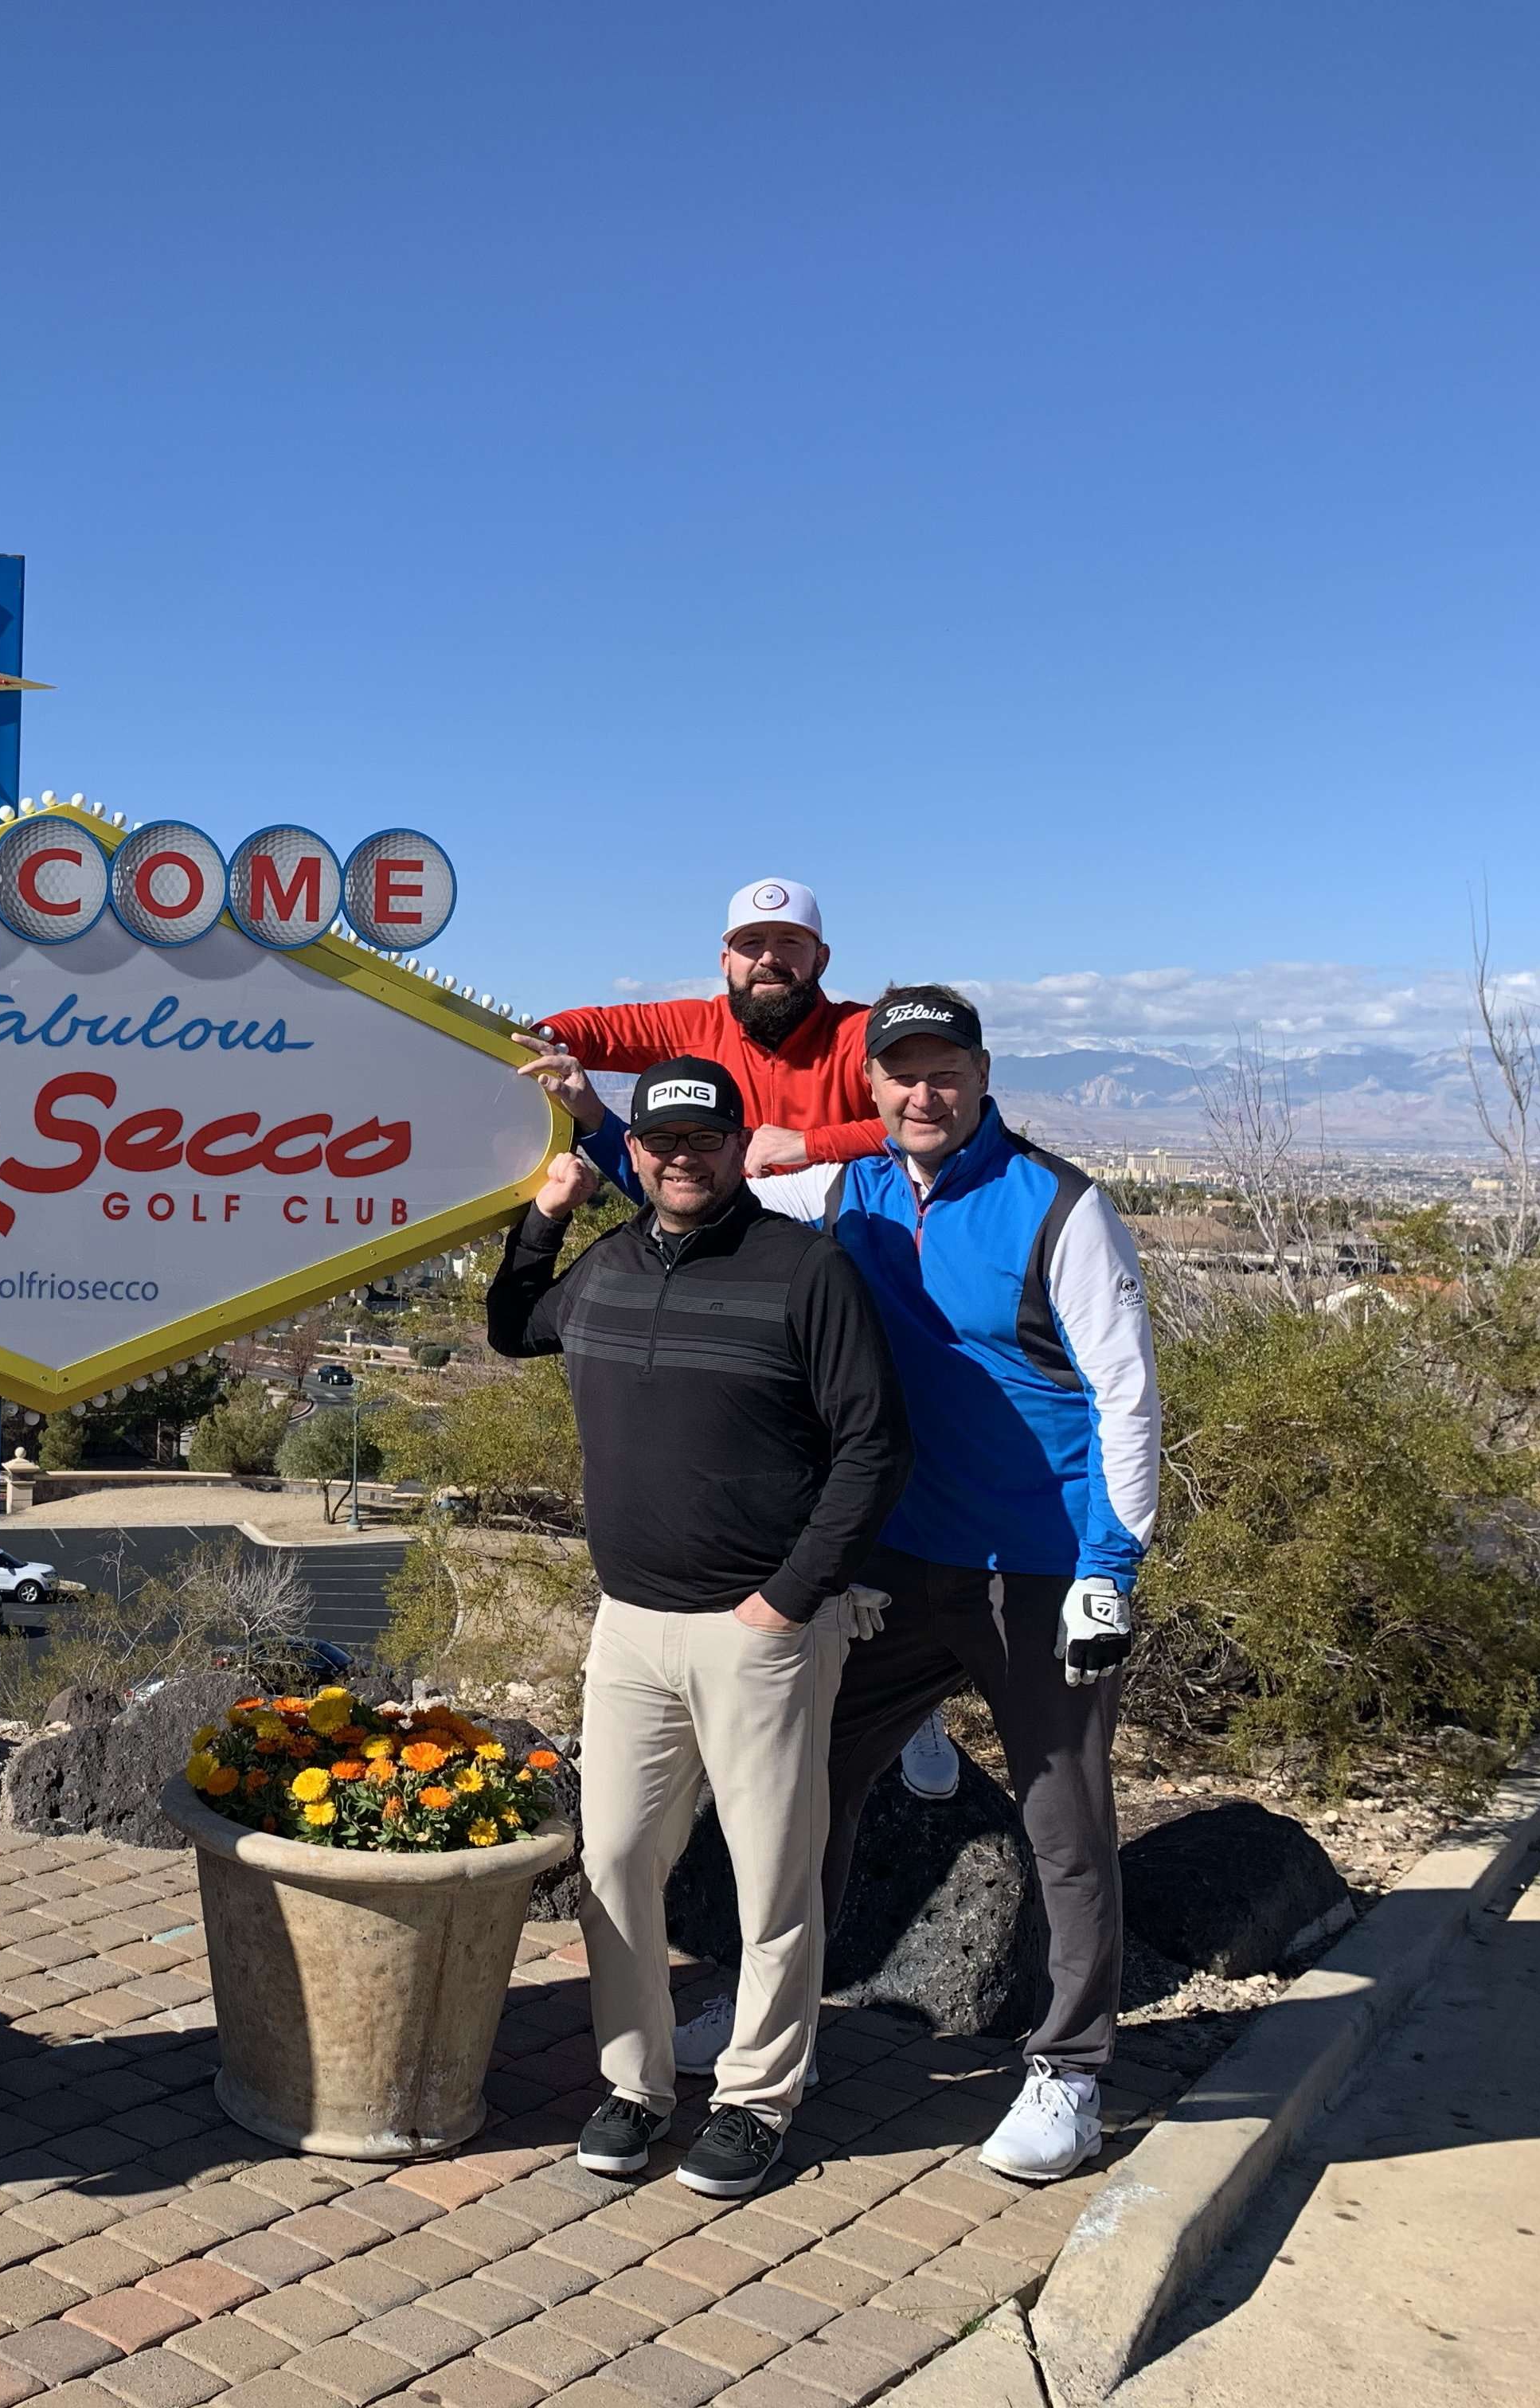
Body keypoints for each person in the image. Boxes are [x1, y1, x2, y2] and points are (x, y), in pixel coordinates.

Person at [707, 983, 1160, 2182]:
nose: (923, 1090)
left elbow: (1126, 1396)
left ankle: (1069, 2073)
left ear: (981, 1073)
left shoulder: (1061, 1207)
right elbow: (690, 1175)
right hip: (892, 1564)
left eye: (944, 1069)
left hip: (1038, 1565)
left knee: (1064, 1823)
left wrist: (1112, 1568)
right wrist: (573, 1121)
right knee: (801, 1790)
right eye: (900, 1071)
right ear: (873, 1085)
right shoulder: (842, 1189)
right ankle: (769, 2022)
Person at [487, 1057, 909, 2197]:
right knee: (617, 1858)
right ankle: (635, 2085)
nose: (684, 1158)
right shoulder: (610, 1267)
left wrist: (792, 1596)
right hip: (629, 1625)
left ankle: (758, 2098)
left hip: (758, 1630)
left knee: (773, 1878)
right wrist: (541, 1221)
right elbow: (515, 1328)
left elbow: (874, 1446)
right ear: (638, 1154)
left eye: (706, 1139)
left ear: (737, 1144)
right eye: (663, 1142)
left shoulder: (804, 1270)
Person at [513, 877, 889, 1181]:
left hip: (844, 1237)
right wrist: (521, 1048)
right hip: (732, 1234)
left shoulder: (862, 1032)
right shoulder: (702, 1025)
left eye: (789, 942)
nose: (769, 958)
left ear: (821, 959)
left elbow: (935, 1123)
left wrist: (809, 1144)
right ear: (727, 962)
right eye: (751, 943)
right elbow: (595, 1029)